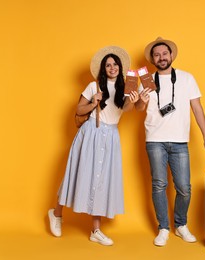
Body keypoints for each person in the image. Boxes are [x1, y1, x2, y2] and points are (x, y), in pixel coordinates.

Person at [48, 46, 139, 246]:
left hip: (111, 135)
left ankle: (95, 230)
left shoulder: (128, 87)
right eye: (108, 65)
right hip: (90, 132)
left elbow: (127, 109)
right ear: (103, 69)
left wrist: (134, 101)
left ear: (121, 67)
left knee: (102, 180)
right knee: (76, 173)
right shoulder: (94, 85)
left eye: (115, 64)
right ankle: (56, 213)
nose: (112, 67)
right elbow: (79, 108)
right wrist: (94, 102)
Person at [135, 37, 205, 246]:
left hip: (180, 141)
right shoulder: (146, 79)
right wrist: (140, 102)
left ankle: (180, 225)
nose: (161, 57)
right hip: (155, 140)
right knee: (159, 185)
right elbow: (138, 110)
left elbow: (197, 108)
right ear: (152, 59)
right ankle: (163, 228)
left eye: (164, 53)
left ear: (171, 55)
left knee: (184, 187)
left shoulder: (186, 78)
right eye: (157, 54)